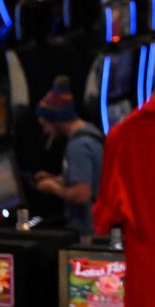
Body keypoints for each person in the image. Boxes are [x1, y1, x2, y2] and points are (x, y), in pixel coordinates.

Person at [32, 77, 103, 236]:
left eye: (45, 124)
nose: (45, 131)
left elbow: (81, 194)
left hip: (88, 232)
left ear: (56, 119)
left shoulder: (78, 147)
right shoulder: (91, 131)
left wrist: (53, 187)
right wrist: (57, 179)